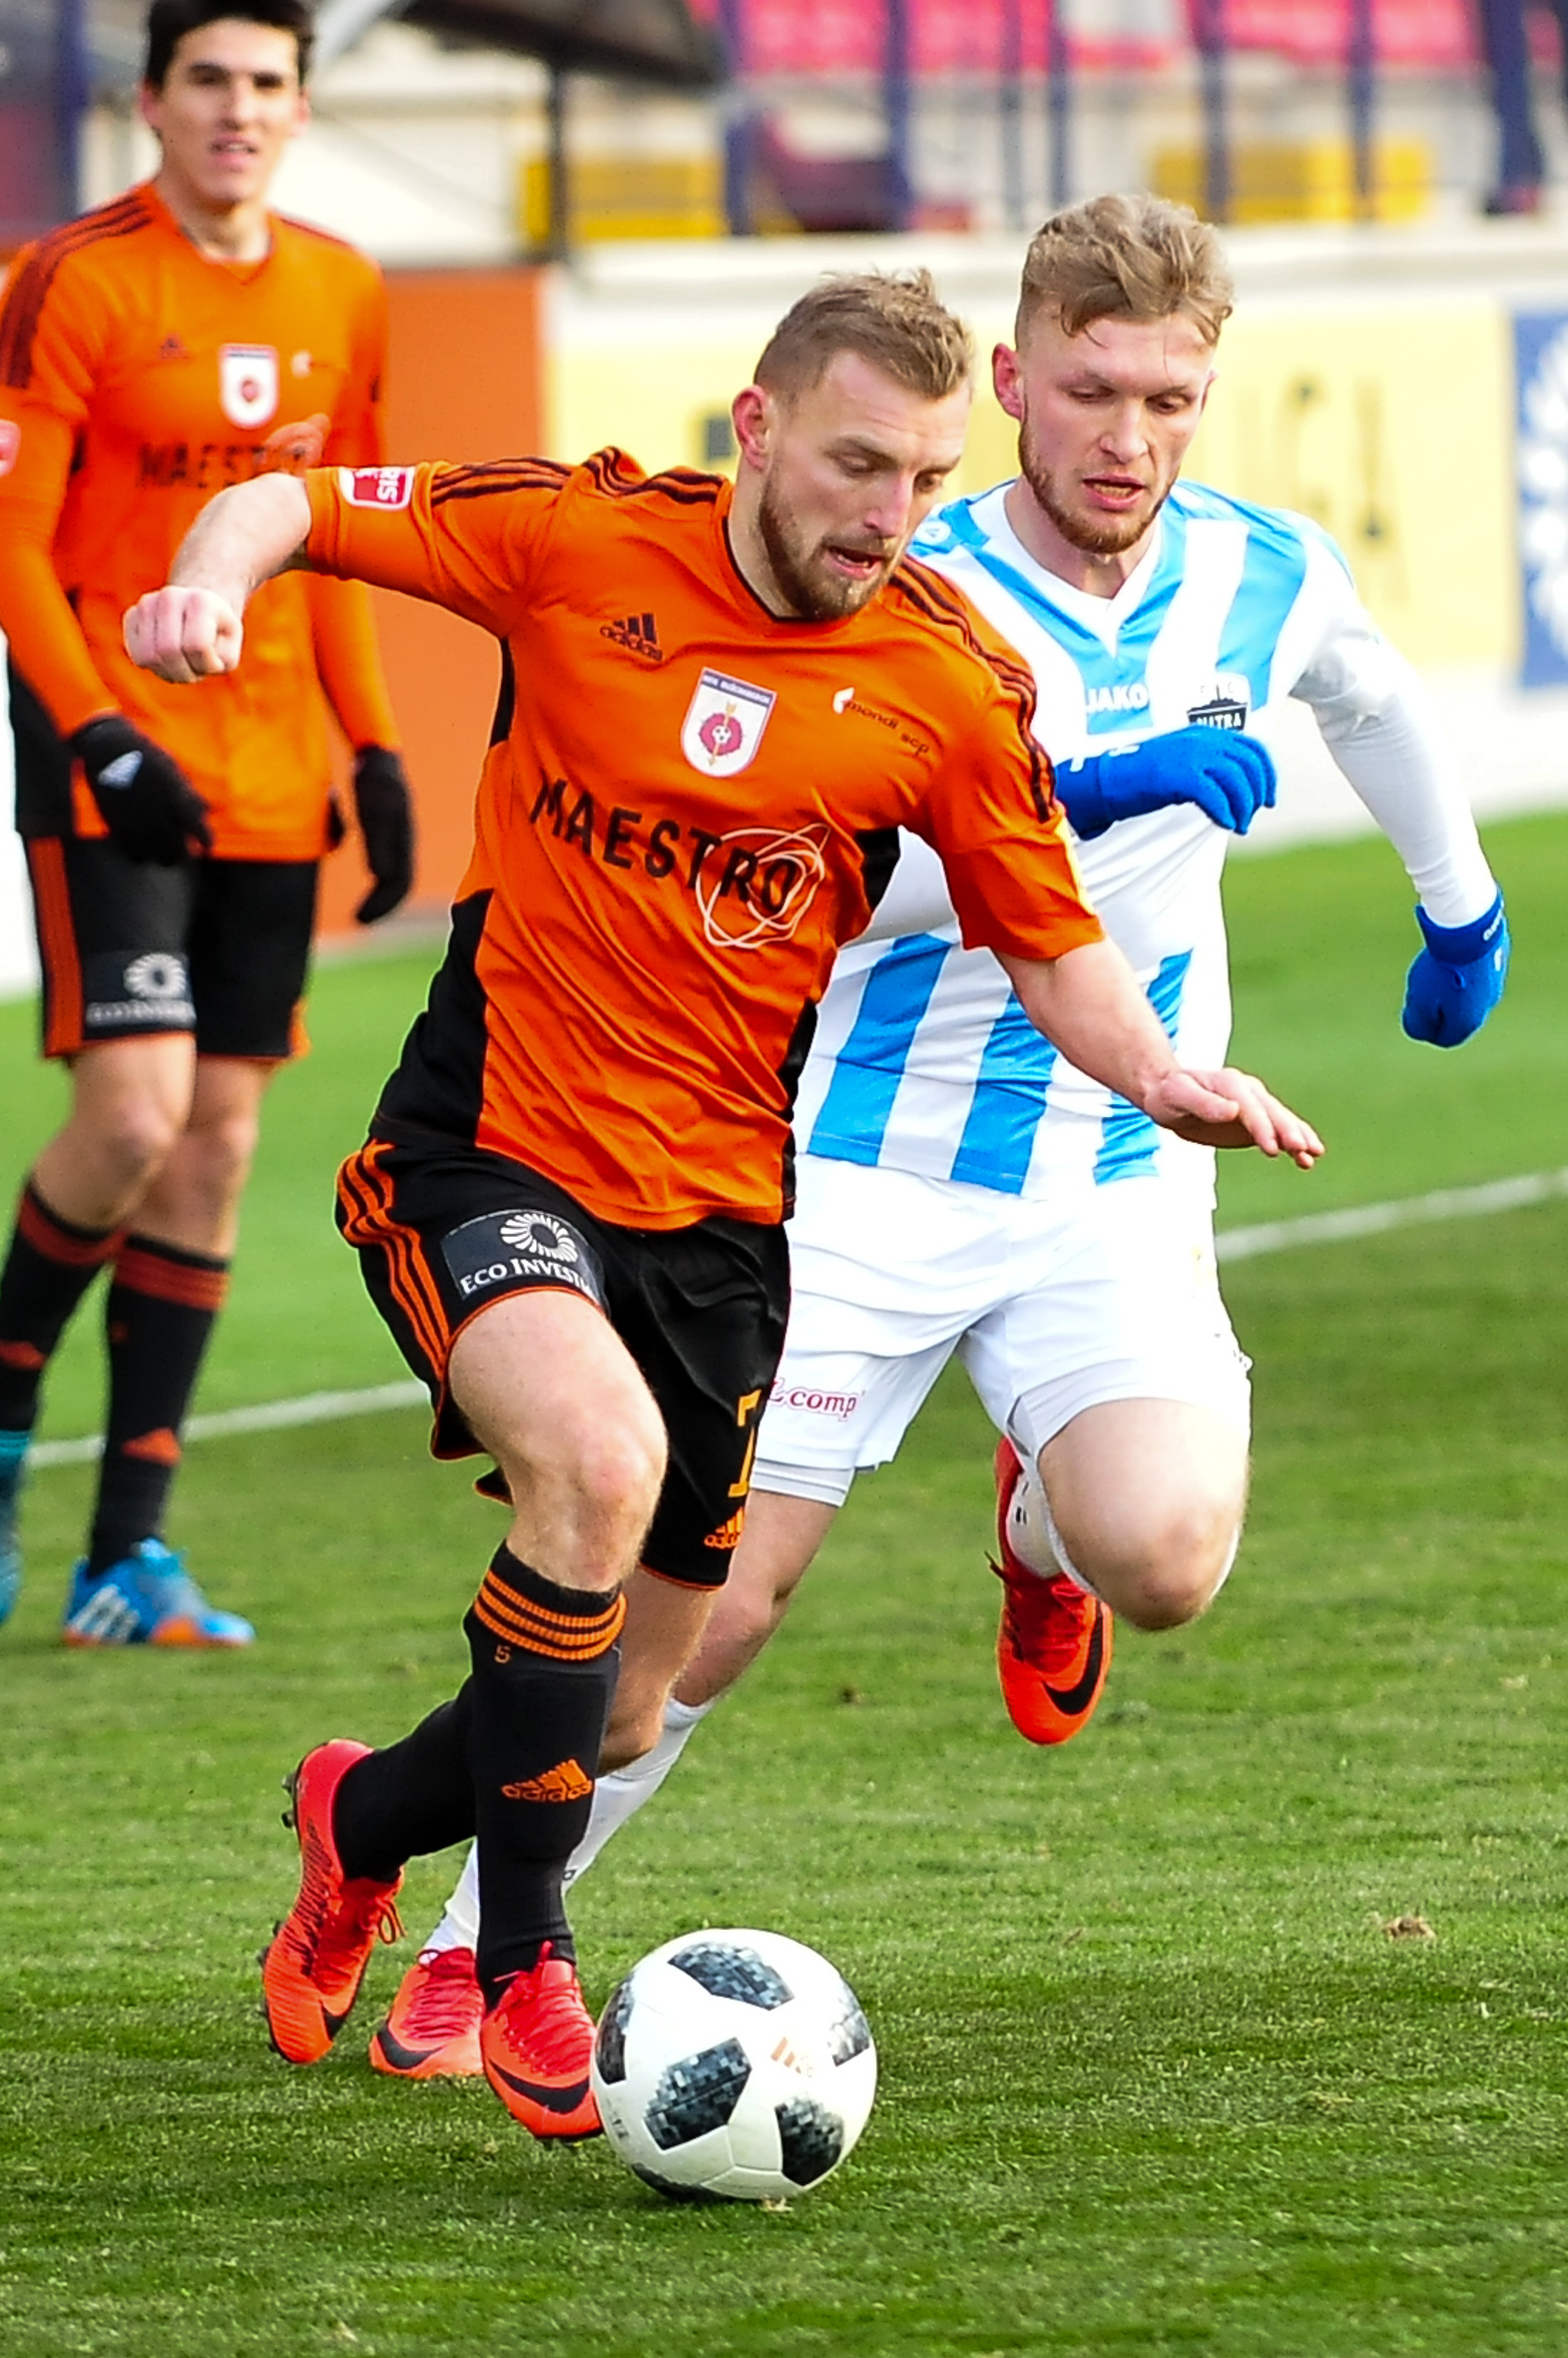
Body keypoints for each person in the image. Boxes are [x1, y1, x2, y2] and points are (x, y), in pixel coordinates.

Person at [126, 267, 1321, 2140]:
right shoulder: (581, 536)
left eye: (925, 479)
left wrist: (1161, 1073)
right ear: (755, 427)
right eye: (856, 463)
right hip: (486, 1149)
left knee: (618, 1703)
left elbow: (1052, 942)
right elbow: (299, 497)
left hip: (722, 1220)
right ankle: (525, 1958)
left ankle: (358, 1814)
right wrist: (209, 580)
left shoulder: (944, 678)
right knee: (592, 1466)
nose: (888, 513)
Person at [376, 194, 1509, 2084]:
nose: (1127, 439)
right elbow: (820, 880)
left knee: (1166, 1557)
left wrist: (1458, 904)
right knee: (701, 1628)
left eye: (1167, 401)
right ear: (1011, 382)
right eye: (1090, 392)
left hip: (1115, 1166)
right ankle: (477, 1938)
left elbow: (1375, 698)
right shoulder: (909, 586)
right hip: (860, 1166)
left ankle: (1040, 1519)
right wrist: (1085, 794)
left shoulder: (1262, 570)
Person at [0, 0, 414, 1646]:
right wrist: (98, 735)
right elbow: (15, 546)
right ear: (152, 100)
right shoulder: (71, 280)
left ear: (301, 107)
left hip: (270, 770)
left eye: (268, 83)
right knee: (131, 1116)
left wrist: (373, 751)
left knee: (220, 1145)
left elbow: (340, 537)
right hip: (110, 758)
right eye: (210, 80)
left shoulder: (343, 288)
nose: (239, 109)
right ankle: (4, 1429)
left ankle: (129, 1550)